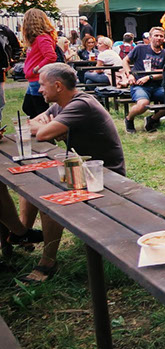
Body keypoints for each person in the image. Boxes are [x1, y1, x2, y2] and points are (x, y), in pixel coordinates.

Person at [17, 63, 125, 284]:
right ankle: (23, 234)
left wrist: (46, 128)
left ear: (58, 86)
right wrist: (45, 127)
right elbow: (31, 124)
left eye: (42, 85)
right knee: (31, 185)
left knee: (50, 199)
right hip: (82, 169)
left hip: (104, 175)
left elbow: (41, 134)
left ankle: (48, 262)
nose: (39, 90)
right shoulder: (61, 105)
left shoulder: (80, 104)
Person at [122, 27, 165, 133]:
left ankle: (152, 119)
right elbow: (125, 61)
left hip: (158, 86)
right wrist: (129, 75)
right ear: (150, 37)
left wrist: (149, 77)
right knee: (143, 104)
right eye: (156, 35)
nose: (159, 38)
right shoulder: (140, 48)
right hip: (139, 85)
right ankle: (129, 119)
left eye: (161, 36)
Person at [21, 9, 58, 117]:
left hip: (37, 78)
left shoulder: (42, 39)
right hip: (33, 78)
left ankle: (46, 125)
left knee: (39, 110)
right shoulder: (37, 39)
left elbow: (51, 56)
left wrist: (37, 68)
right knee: (29, 107)